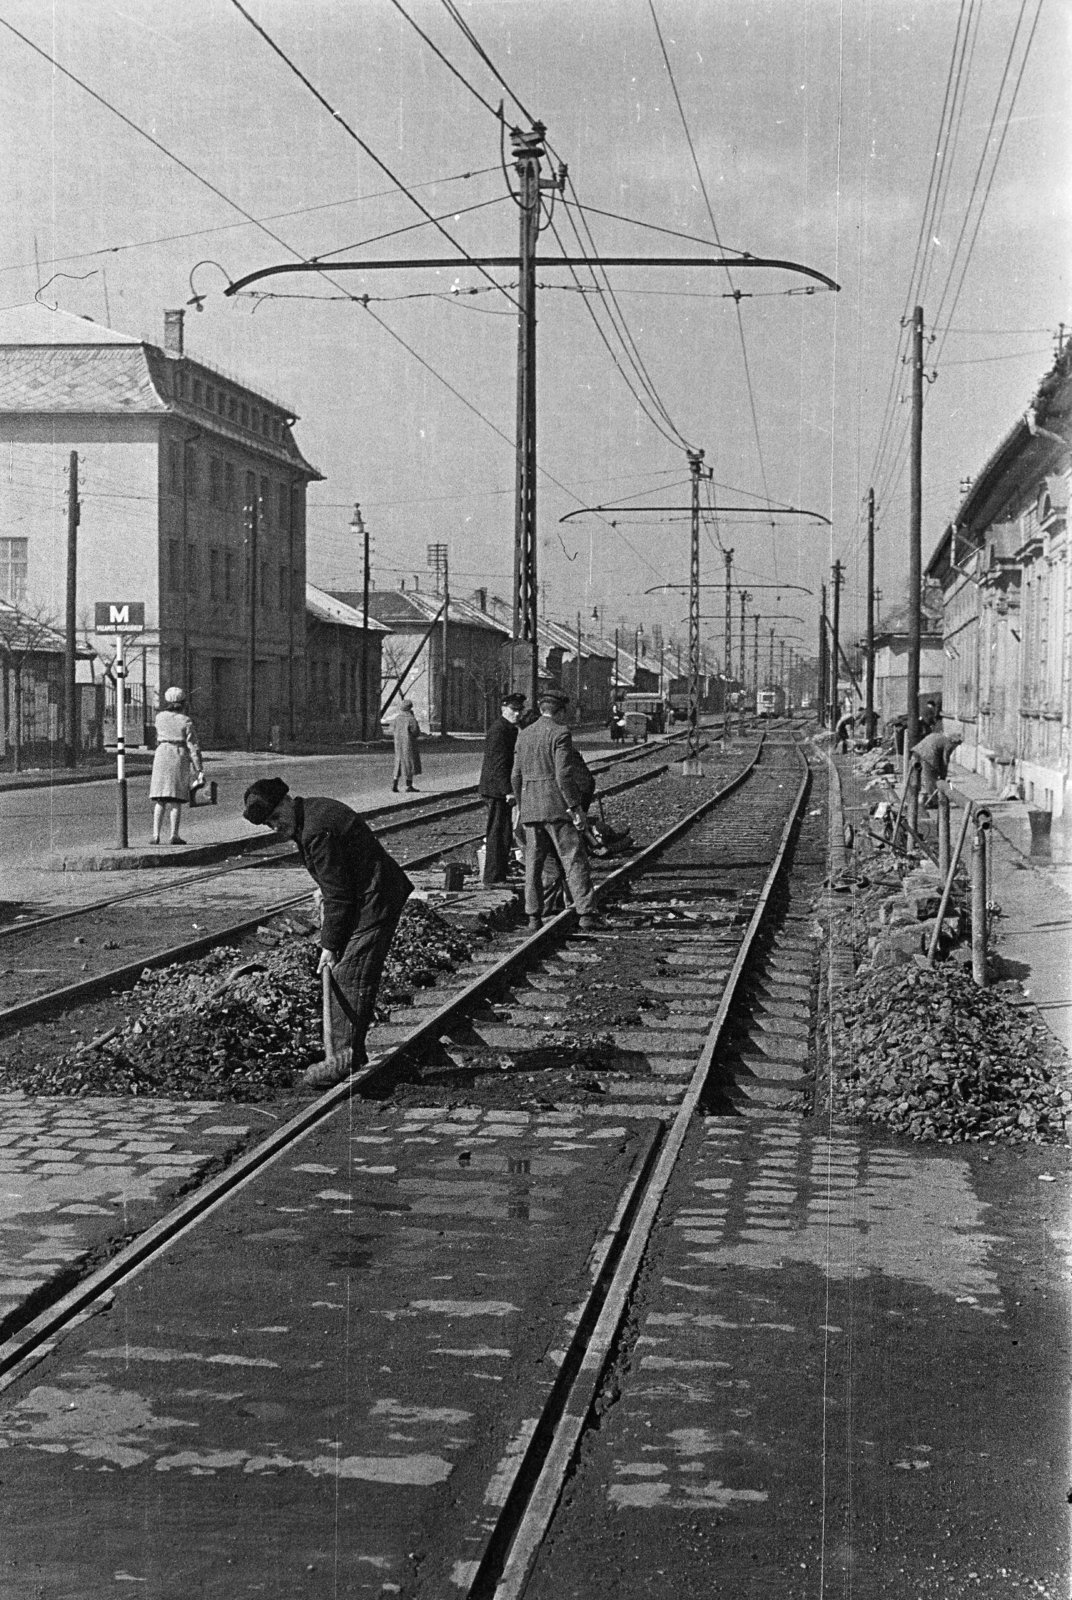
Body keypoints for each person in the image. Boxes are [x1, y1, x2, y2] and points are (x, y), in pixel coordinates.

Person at [242, 778, 413, 1089]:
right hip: (367, 894)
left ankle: (344, 1061)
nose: (275, 827)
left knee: (348, 975)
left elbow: (340, 895)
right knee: (345, 974)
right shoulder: (310, 814)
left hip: (374, 900)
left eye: (276, 819)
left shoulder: (316, 829)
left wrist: (330, 946)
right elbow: (337, 877)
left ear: (286, 802)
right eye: (268, 824)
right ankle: (349, 1055)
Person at [511, 688, 600, 931]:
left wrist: (521, 805)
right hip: (557, 808)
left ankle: (533, 916)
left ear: (541, 708)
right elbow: (563, 775)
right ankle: (586, 913)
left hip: (530, 808)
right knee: (573, 858)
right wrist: (575, 807)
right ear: (559, 711)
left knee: (533, 864)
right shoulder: (561, 732)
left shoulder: (524, 734)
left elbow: (516, 776)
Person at [478, 691, 526, 885]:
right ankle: (493, 877)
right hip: (496, 790)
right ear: (503, 708)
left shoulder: (508, 728)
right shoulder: (499, 730)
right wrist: (507, 790)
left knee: (503, 834)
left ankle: (498, 874)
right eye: (514, 710)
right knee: (498, 834)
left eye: (520, 710)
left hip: (498, 788)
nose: (517, 714)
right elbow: (498, 764)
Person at [149, 686, 204, 845]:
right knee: (175, 797)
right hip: (178, 754)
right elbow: (193, 746)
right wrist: (198, 767)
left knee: (160, 797)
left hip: (161, 754)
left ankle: (155, 835)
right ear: (183, 702)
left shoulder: (159, 717)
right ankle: (174, 834)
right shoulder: (185, 720)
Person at [910, 729, 963, 806]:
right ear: (954, 742)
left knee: (918, 778)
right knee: (931, 780)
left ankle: (920, 799)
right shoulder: (949, 744)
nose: (956, 747)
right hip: (928, 756)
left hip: (917, 752)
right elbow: (945, 760)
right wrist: (943, 775)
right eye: (957, 745)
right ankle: (934, 801)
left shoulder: (941, 737)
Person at [391, 699, 421, 792]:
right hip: (409, 745)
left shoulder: (397, 718)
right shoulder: (411, 719)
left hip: (398, 745)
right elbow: (416, 732)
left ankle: (395, 785)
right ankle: (409, 786)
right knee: (409, 765)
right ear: (410, 708)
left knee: (398, 764)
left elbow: (392, 729)